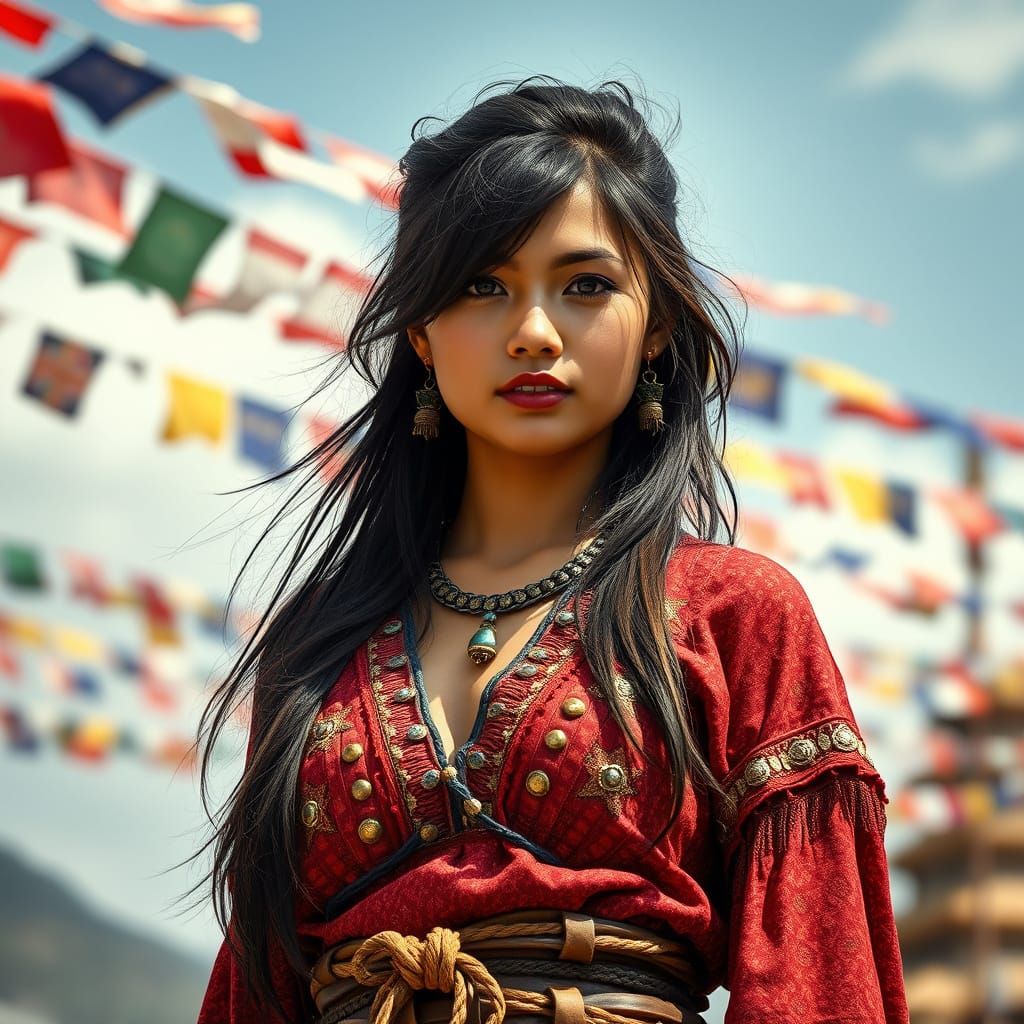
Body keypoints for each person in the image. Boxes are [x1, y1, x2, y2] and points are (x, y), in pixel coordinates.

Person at [186, 76, 910, 1024]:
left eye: (586, 286)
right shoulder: (315, 648)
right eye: (483, 285)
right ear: (422, 330)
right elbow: (256, 991)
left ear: (655, 324)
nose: (533, 332)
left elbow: (819, 989)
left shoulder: (733, 615)